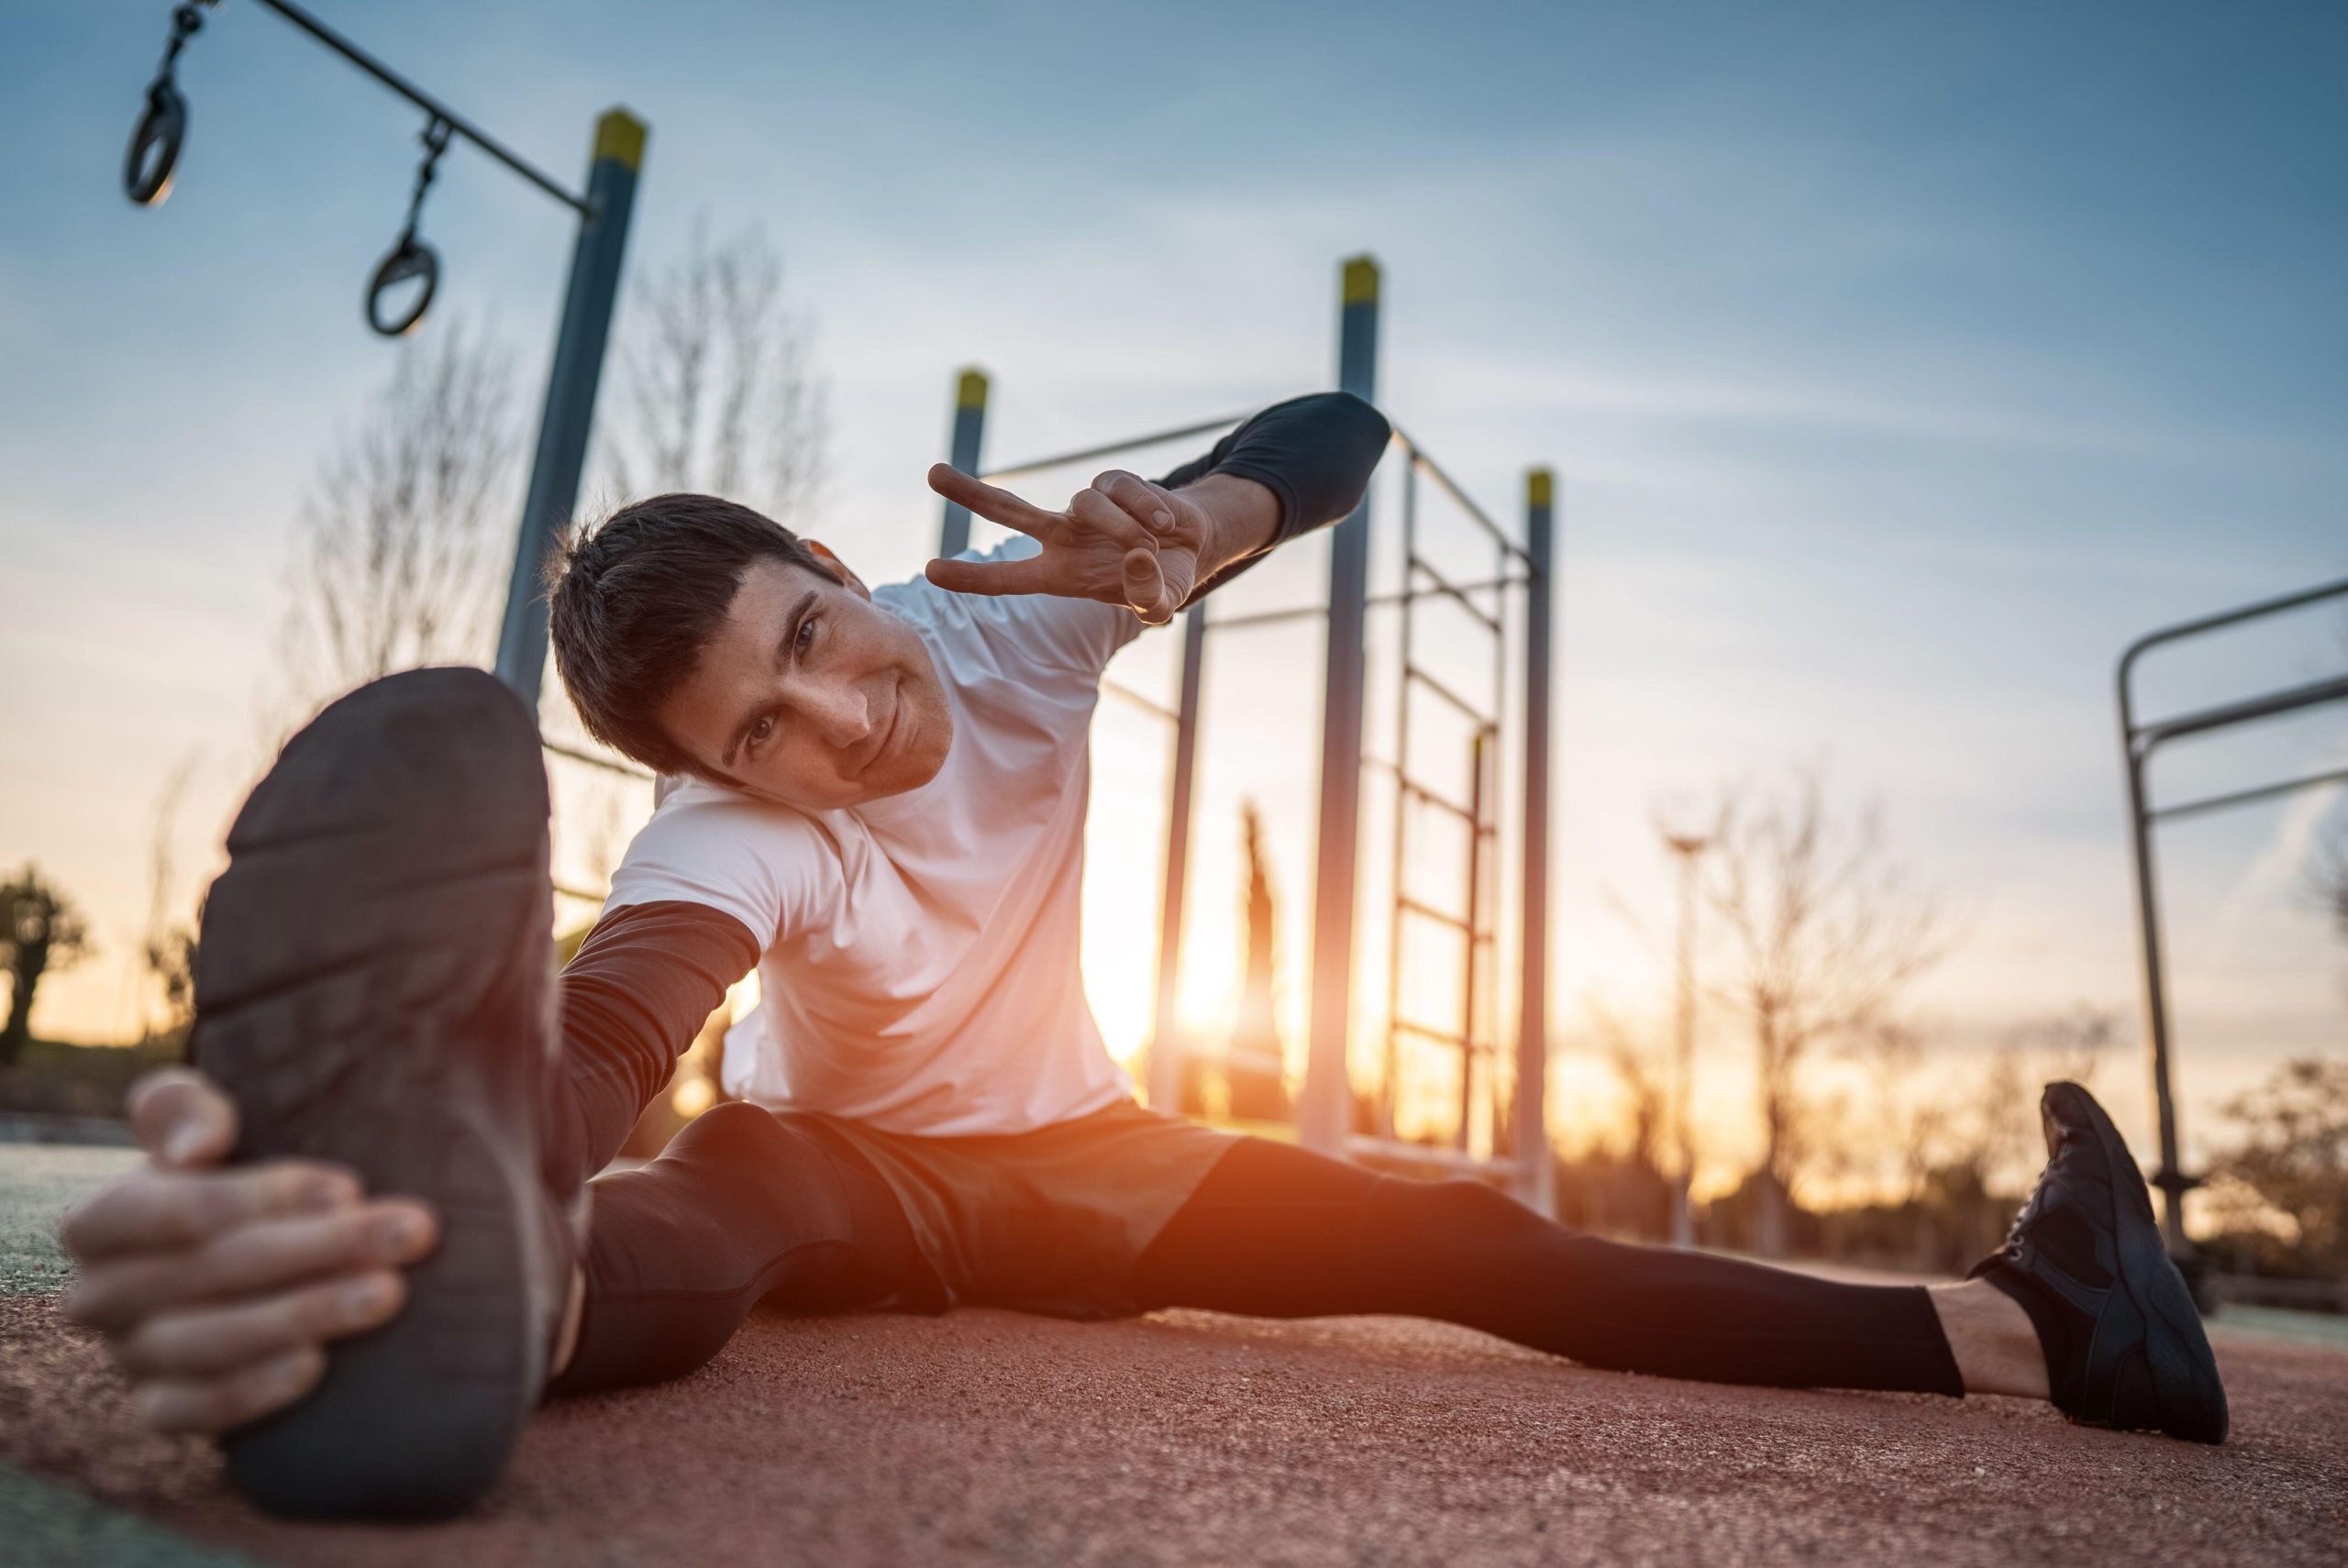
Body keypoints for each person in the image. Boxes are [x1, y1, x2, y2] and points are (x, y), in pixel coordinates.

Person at [58, 393, 2226, 1519]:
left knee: (1467, 1241)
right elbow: (619, 1031)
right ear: (713, 775)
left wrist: (1205, 523)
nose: (835, 720)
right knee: (698, 1208)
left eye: (812, 635)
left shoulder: (1014, 624)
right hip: (840, 1168)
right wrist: (418, 1173)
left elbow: (1331, 433)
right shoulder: (726, 845)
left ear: (838, 563)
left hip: (1090, 1156)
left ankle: (2041, 1330)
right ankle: (460, 1290)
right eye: (760, 730)